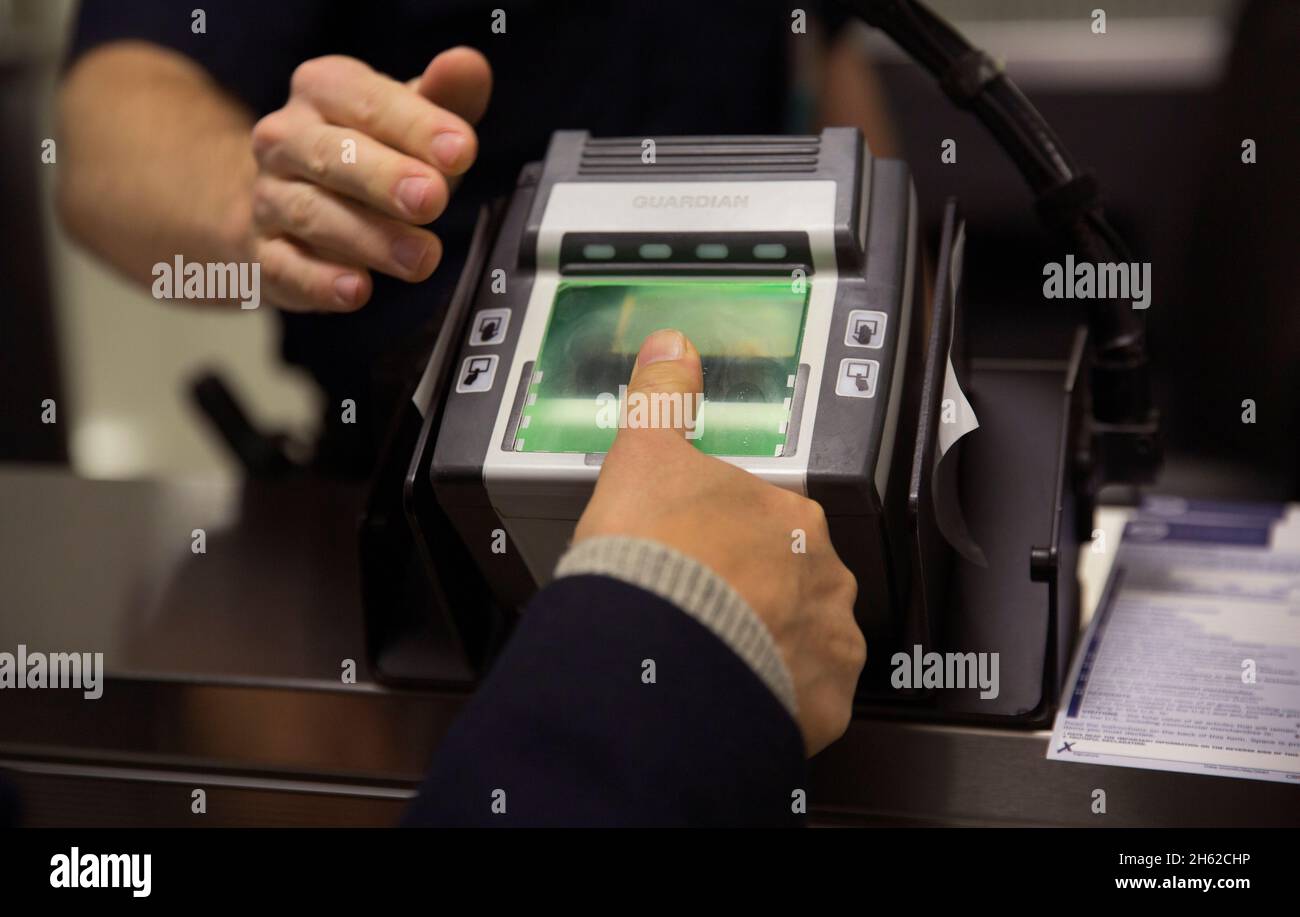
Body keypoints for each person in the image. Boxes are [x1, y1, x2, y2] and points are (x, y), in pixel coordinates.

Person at [57, 1, 882, 825]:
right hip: (410, 540)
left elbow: (830, 63)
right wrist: (270, 196)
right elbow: (111, 119)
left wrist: (894, 310)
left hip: (800, 513)